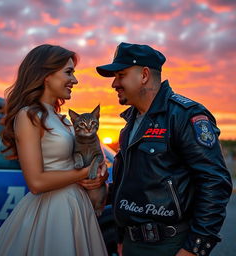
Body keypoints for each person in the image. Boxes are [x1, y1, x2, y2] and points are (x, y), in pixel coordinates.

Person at [95, 42, 232, 256]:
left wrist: (194, 248)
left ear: (144, 75)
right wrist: (122, 237)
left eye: (120, 75)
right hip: (132, 244)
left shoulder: (185, 115)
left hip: (171, 245)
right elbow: (130, 183)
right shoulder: (130, 122)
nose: (114, 84)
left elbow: (215, 183)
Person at [0, 44, 108, 256]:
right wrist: (84, 173)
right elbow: (36, 183)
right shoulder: (29, 116)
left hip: (77, 205)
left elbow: (79, 158)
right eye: (68, 72)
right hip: (53, 211)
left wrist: (99, 174)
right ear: (45, 75)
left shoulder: (61, 118)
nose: (75, 80)